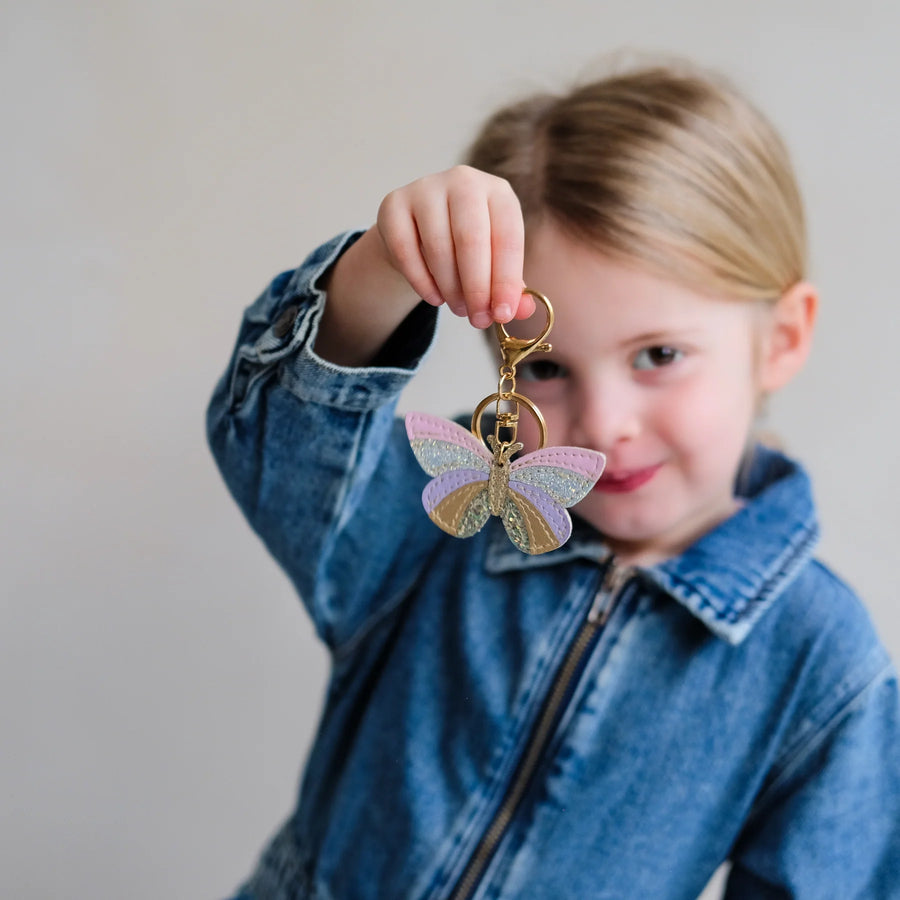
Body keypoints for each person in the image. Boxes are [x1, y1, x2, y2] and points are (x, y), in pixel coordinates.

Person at [207, 57, 900, 899]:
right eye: (543, 367)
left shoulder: (819, 662)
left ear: (782, 339)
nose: (604, 424)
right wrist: (382, 268)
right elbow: (278, 445)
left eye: (658, 355)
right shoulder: (438, 519)